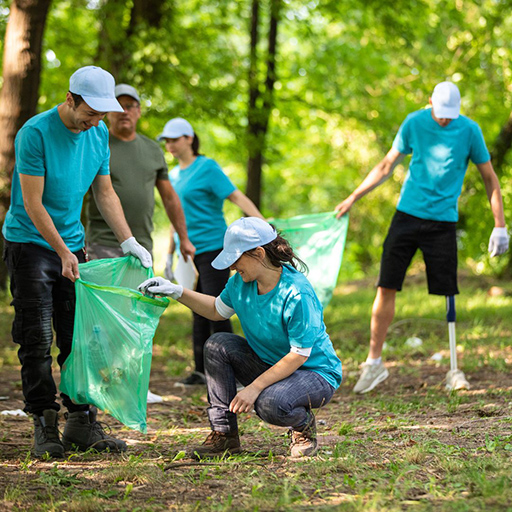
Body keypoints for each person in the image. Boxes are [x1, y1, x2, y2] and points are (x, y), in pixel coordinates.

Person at [2, 66, 153, 458]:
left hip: (71, 245)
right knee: (37, 340)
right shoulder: (34, 133)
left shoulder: (99, 133)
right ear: (70, 99)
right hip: (31, 245)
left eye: (101, 115)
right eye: (90, 114)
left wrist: (129, 241)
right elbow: (33, 203)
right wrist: (63, 252)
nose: (94, 123)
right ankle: (45, 423)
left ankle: (81, 423)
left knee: (80, 340)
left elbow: (104, 193)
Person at [335, 81, 509, 394]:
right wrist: (353, 197)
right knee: (385, 285)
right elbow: (387, 164)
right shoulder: (414, 122)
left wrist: (500, 224)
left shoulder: (469, 130)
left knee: (448, 292)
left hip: (443, 222)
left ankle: (454, 369)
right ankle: (373, 365)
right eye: (440, 113)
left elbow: (489, 178)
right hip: (407, 216)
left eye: (450, 115)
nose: (444, 120)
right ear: (430, 103)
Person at [138, 217, 342, 458]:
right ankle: (224, 437)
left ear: (258, 253)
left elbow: (299, 355)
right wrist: (176, 291)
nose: (232, 266)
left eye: (236, 259)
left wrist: (253, 388)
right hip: (271, 364)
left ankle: (302, 426)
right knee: (217, 345)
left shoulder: (297, 292)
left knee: (270, 403)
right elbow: (216, 310)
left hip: (314, 372)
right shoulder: (240, 284)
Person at [86, 84, 195, 404]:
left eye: (131, 105)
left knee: (136, 316)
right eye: (118, 105)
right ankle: (101, 383)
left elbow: (170, 198)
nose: (125, 111)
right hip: (101, 244)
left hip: (142, 248)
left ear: (138, 111)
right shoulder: (95, 141)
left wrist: (184, 237)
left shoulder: (151, 150)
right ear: (108, 110)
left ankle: (134, 382)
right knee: (104, 320)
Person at [158, 118, 264, 386]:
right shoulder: (172, 175)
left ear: (189, 138)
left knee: (218, 307)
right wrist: (169, 255)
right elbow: (174, 218)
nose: (170, 144)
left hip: (214, 248)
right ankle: (200, 371)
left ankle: (236, 372)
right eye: (166, 140)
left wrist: (263, 225)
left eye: (174, 139)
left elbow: (236, 197)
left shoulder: (207, 168)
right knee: (195, 308)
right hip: (188, 253)